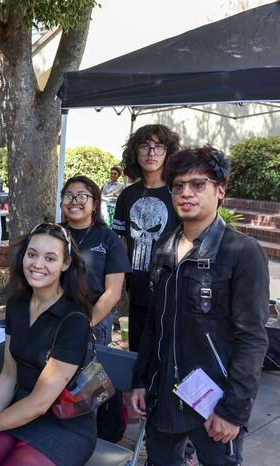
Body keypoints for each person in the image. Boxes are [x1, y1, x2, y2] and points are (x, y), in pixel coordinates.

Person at [131, 147, 269, 466]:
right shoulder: (163, 248)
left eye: (197, 184)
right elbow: (155, 322)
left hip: (214, 402)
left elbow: (252, 339)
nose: (185, 193)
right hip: (163, 393)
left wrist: (233, 410)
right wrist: (141, 380)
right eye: (178, 185)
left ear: (220, 190)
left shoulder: (242, 252)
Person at [0, 223, 96, 466]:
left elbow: (40, 403)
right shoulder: (17, 305)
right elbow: (9, 375)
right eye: (32, 254)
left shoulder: (74, 319)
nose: (38, 264)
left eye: (50, 258)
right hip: (17, 412)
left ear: (65, 264)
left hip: (63, 425)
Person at [60, 175, 131, 443]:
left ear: (94, 203)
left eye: (81, 196)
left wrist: (85, 323)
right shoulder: (52, 233)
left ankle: (89, 438)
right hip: (54, 319)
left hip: (93, 323)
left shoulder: (108, 239)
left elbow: (113, 292)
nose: (74, 201)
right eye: (68, 195)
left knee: (87, 387)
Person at [112, 124, 181, 352]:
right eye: (145, 146)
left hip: (172, 289)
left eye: (159, 147)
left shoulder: (179, 194)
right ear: (135, 151)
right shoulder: (127, 195)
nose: (151, 153)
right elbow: (120, 243)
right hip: (137, 288)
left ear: (168, 152)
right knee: (138, 352)